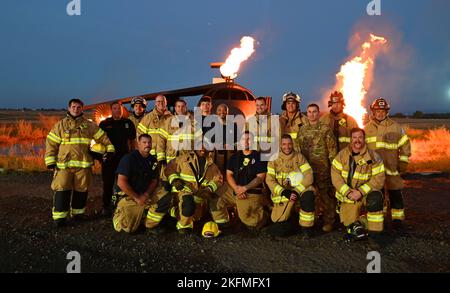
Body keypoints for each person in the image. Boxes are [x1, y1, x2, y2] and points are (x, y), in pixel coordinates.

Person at [45, 98, 115, 227]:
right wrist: (50, 160)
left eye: (78, 107)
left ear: (81, 109)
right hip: (64, 166)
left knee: (81, 190)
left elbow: (103, 137)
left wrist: (110, 150)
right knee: (62, 190)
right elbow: (51, 143)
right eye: (73, 107)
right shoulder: (60, 125)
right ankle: (59, 218)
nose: (75, 109)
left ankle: (78, 214)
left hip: (83, 165)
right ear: (69, 108)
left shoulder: (89, 125)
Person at [331, 128, 386, 242]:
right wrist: (348, 192)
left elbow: (379, 178)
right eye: (355, 137)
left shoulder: (374, 157)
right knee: (349, 225)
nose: (357, 140)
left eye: (360, 137)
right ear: (351, 139)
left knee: (375, 200)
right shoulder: (341, 155)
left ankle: (375, 236)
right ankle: (359, 224)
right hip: (348, 196)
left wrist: (361, 192)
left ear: (364, 139)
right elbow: (335, 176)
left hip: (365, 194)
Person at [364, 97, 411, 230]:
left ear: (387, 112)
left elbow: (405, 144)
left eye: (383, 111)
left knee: (395, 194)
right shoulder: (367, 128)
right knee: (378, 195)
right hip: (374, 171)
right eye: (377, 110)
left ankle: (398, 221)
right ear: (373, 111)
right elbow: (363, 148)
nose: (380, 113)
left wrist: (403, 161)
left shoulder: (396, 127)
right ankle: (381, 221)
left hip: (392, 168)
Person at [209, 131, 269, 230]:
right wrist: (236, 188)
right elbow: (229, 175)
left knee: (249, 222)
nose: (246, 142)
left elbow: (260, 177)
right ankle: (224, 222)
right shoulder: (235, 157)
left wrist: (244, 188)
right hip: (235, 189)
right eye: (243, 139)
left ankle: (264, 215)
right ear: (240, 142)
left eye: (249, 139)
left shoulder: (259, 158)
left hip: (251, 191)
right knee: (215, 197)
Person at [164, 140, 223, 234]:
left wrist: (208, 189)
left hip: (199, 195)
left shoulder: (212, 165)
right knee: (188, 205)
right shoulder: (183, 159)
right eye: (200, 145)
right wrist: (175, 180)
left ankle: (173, 211)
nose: (202, 148)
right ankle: (184, 227)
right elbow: (169, 169)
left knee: (196, 217)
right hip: (183, 191)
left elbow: (218, 180)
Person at [266, 134, 315, 237]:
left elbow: (309, 176)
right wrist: (283, 192)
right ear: (280, 145)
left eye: (289, 144)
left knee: (309, 195)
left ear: (292, 144)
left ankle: (306, 228)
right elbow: (269, 180)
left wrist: (296, 191)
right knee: (279, 229)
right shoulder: (273, 159)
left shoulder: (299, 157)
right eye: (284, 144)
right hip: (282, 195)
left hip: (298, 191)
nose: (287, 147)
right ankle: (292, 223)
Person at [299, 104, 337, 232]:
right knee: (310, 196)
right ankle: (311, 221)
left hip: (323, 169)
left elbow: (332, 150)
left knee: (326, 196)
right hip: (307, 170)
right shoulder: (302, 130)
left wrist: (333, 169)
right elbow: (299, 150)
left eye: (314, 111)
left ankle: (329, 221)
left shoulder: (326, 129)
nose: (311, 114)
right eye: (309, 112)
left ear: (318, 113)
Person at [112, 134, 161, 233]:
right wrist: (137, 198)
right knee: (126, 228)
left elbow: (154, 181)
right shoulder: (129, 159)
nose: (147, 145)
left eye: (149, 142)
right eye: (144, 142)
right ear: (138, 144)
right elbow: (121, 182)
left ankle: (149, 224)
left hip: (145, 195)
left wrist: (146, 194)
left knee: (165, 195)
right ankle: (121, 214)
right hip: (129, 196)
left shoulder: (153, 160)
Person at [99, 102, 136, 216]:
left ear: (122, 110)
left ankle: (122, 206)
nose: (117, 111)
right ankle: (106, 207)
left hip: (123, 159)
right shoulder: (104, 124)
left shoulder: (128, 123)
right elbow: (98, 141)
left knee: (123, 184)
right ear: (111, 110)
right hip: (109, 160)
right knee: (108, 184)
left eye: (119, 109)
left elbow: (132, 140)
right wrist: (101, 157)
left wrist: (132, 155)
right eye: (115, 108)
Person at [213, 103, 238, 175]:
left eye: (224, 110)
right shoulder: (212, 125)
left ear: (228, 112)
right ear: (216, 112)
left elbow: (239, 141)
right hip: (216, 155)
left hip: (229, 155)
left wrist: (232, 145)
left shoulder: (233, 125)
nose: (222, 112)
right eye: (219, 110)